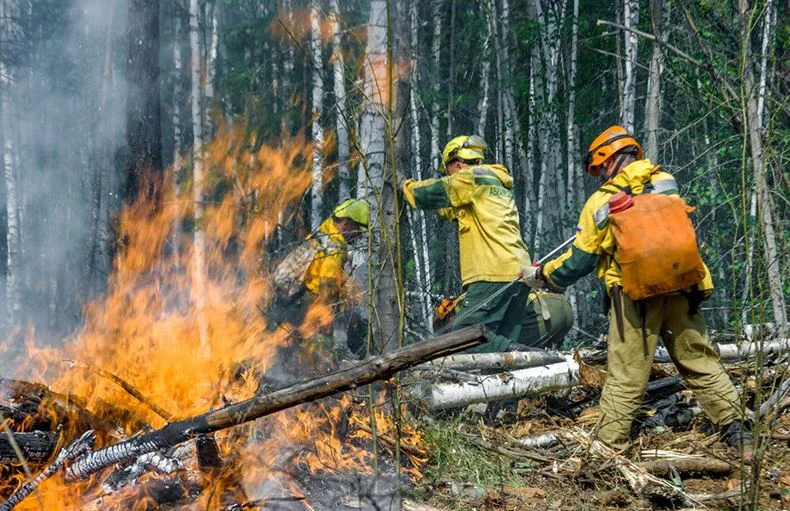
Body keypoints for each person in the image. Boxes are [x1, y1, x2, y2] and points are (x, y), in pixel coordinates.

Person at [521, 126, 751, 455]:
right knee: (698, 358)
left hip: (635, 295)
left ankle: (608, 449)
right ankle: (738, 429)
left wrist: (542, 274)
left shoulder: (601, 201)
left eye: (599, 167)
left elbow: (580, 261)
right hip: (683, 286)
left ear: (609, 159)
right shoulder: (665, 181)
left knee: (626, 373)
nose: (598, 175)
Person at [401, 135, 535, 353]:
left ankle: (523, 353)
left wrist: (404, 186)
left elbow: (429, 193)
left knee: (463, 337)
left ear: (459, 165)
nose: (450, 178)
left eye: (449, 173)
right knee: (497, 342)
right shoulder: (493, 182)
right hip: (520, 271)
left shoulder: (469, 177)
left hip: (493, 272)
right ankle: (515, 363)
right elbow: (452, 207)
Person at [271, 199, 369, 356]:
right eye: (358, 230)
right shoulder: (334, 248)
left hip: (284, 293)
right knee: (313, 343)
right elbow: (327, 288)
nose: (358, 236)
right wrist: (337, 311)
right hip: (296, 300)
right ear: (345, 223)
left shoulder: (326, 231)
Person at [433, 290, 574, 350]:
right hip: (561, 306)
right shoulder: (469, 299)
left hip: (542, 312)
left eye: (445, 325)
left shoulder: (464, 311)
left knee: (506, 355)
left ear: (449, 316)